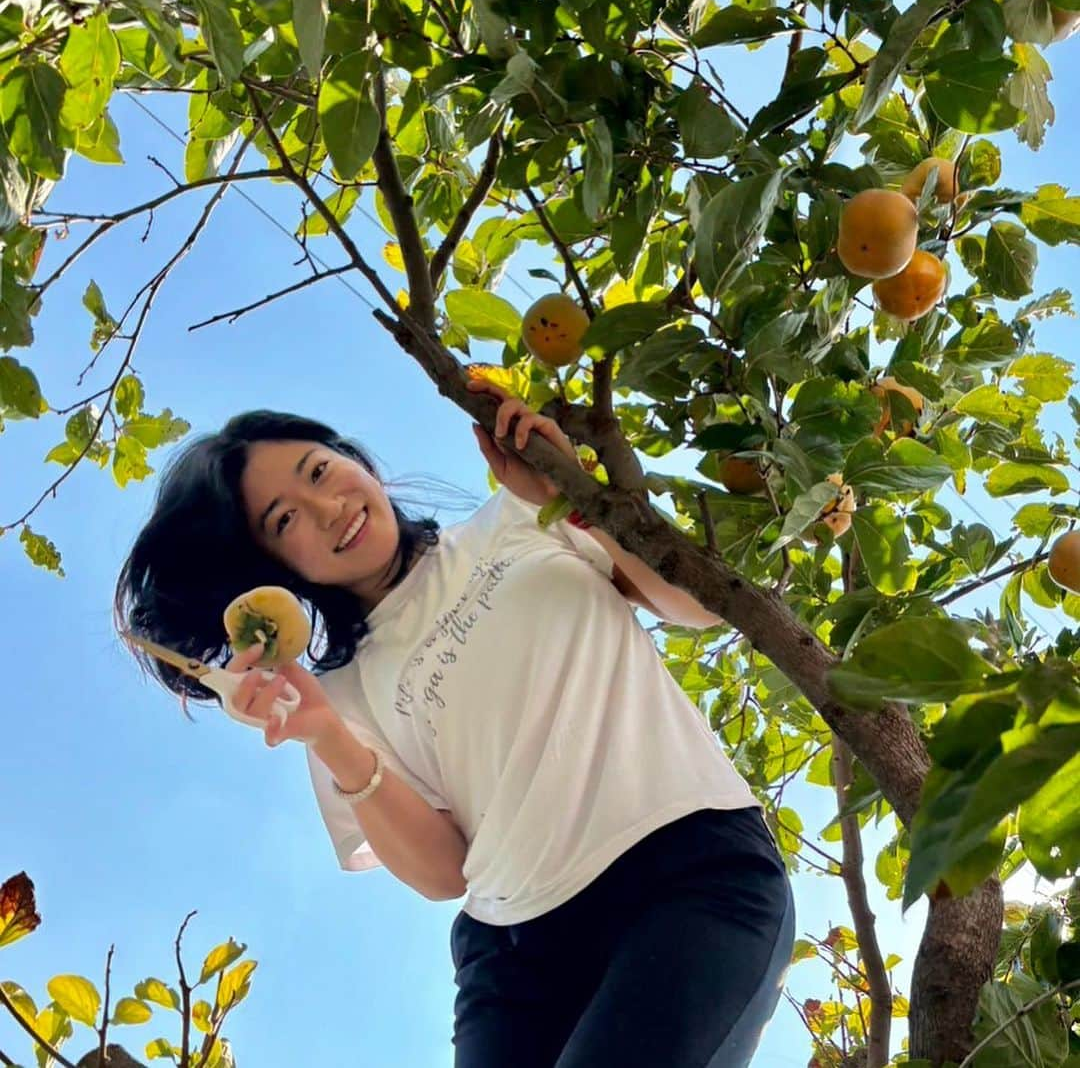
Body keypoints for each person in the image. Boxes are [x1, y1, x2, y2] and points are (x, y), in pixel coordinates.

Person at [115, 377, 796, 1067]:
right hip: (518, 956)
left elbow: (700, 606)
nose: (326, 508)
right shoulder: (336, 699)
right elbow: (444, 872)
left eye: (319, 470)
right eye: (284, 521)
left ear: (350, 456)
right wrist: (324, 733)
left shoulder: (520, 517)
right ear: (275, 567)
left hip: (688, 871)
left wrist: (577, 498)